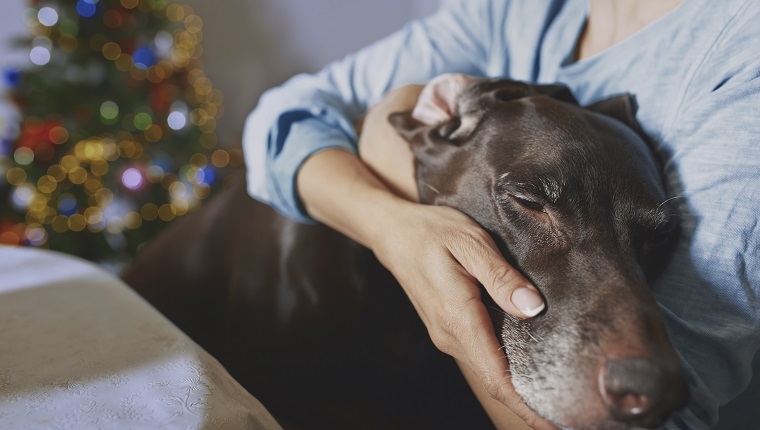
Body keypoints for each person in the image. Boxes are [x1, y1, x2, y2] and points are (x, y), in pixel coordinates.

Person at [242, 0, 760, 428]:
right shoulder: (519, 12)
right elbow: (279, 121)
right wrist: (396, 230)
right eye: (532, 202)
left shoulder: (743, 61)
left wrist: (388, 145)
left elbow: (670, 417)